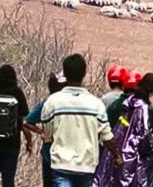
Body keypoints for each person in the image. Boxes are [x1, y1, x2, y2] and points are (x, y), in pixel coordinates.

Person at [41, 53, 122, 187]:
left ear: (65, 74)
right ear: (84, 73)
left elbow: (48, 133)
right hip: (86, 165)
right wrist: (117, 155)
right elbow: (106, 136)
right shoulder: (96, 104)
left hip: (61, 164)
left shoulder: (52, 102)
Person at [94, 73, 153, 187]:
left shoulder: (128, 103)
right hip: (133, 160)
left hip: (116, 154)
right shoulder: (143, 108)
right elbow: (145, 135)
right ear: (149, 90)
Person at [0, 64, 32, 187]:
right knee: (8, 179)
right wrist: (29, 142)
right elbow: (24, 122)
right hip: (12, 144)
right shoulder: (17, 93)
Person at [22, 71, 67, 187]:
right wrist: (41, 131)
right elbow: (27, 122)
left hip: (50, 155)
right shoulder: (49, 104)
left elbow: (27, 122)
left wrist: (41, 132)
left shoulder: (47, 104)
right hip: (64, 157)